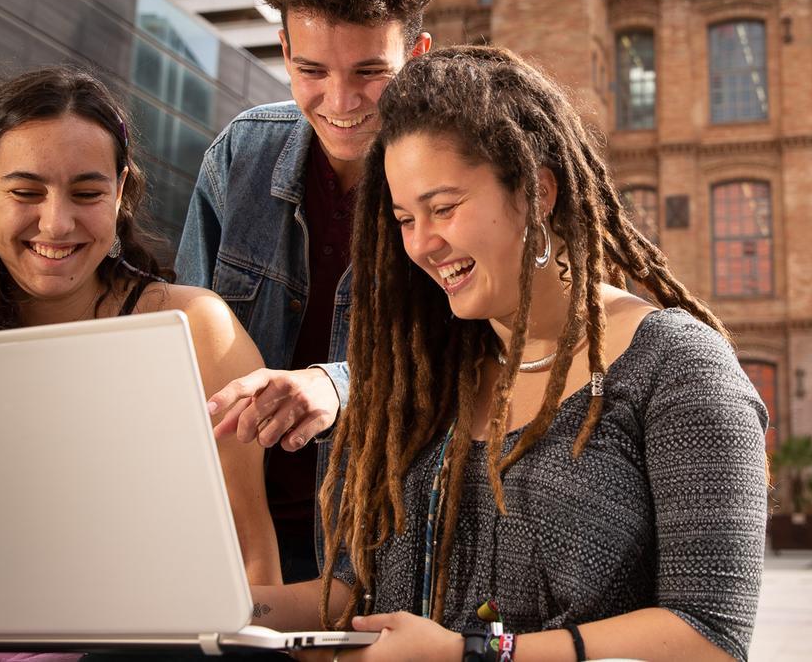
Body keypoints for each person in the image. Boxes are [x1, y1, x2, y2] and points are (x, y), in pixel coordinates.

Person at [221, 46, 767, 661]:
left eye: (443, 208)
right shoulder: (420, 376)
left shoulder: (678, 369)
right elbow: (358, 595)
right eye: (404, 219)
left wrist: (472, 653)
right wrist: (232, 607)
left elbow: (710, 634)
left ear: (537, 191)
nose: (423, 244)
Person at [0, 65, 281, 588]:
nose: (56, 223)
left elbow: (253, 555)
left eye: (87, 193)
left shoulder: (194, 328)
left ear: (119, 193)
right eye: (26, 192)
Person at [179, 0, 436, 583]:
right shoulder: (240, 156)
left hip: (381, 550)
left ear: (417, 56)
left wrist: (337, 384)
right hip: (232, 534)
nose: (341, 100)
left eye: (369, 71)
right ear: (286, 54)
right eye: (313, 69)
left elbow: (471, 358)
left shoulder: (456, 179)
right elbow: (177, 344)